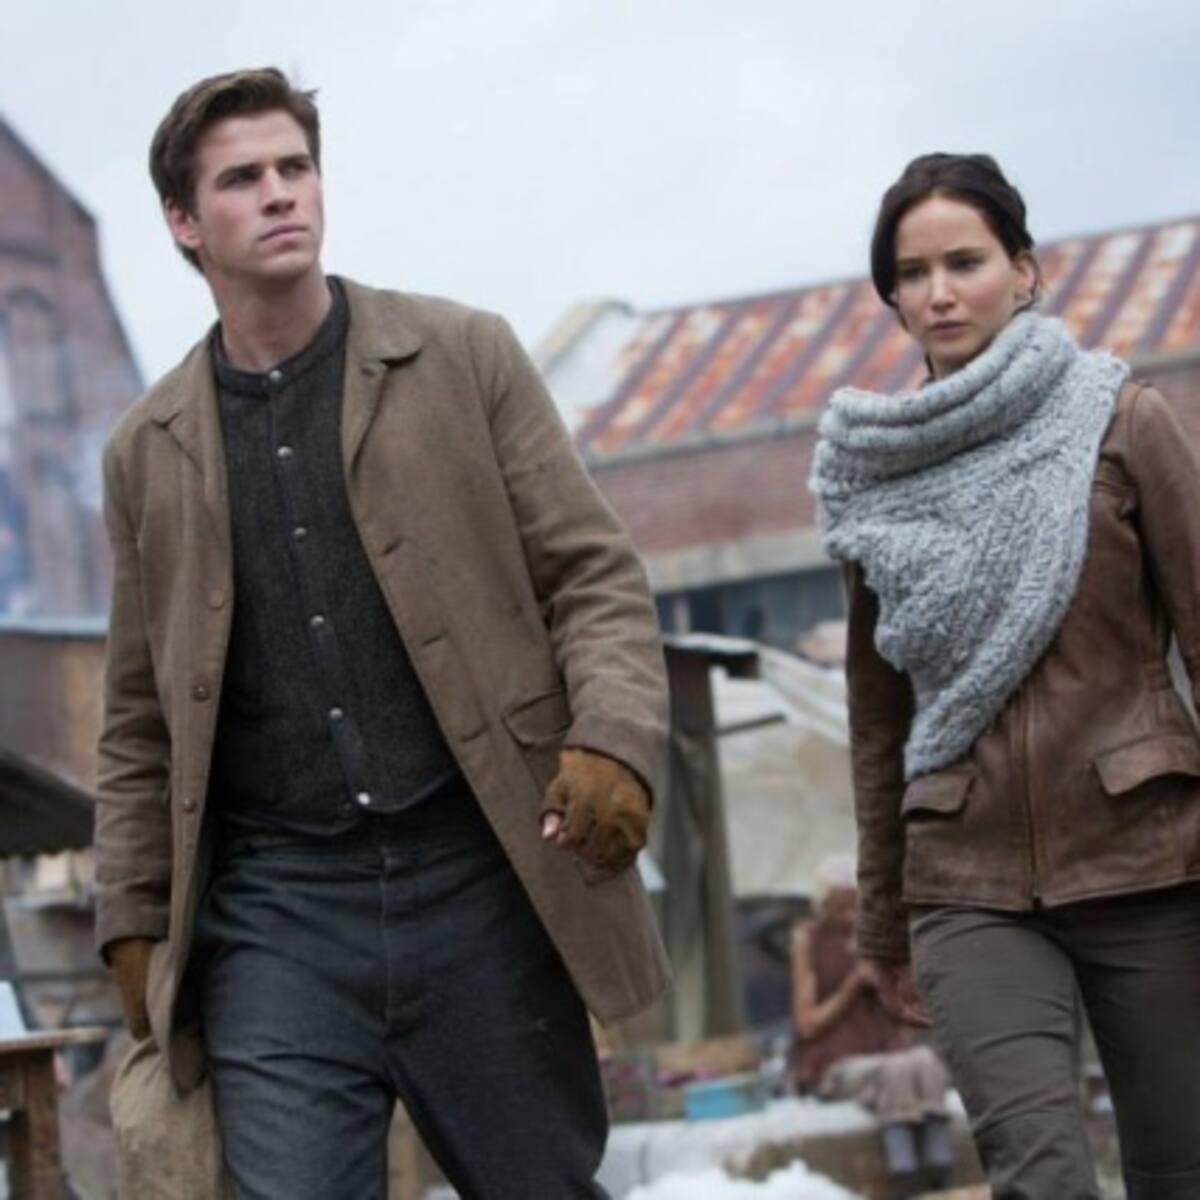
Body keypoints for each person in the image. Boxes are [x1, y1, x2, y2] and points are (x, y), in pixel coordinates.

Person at [93, 67, 670, 1199]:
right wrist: (134, 918)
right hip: (277, 914)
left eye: (296, 167)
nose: (280, 193)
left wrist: (614, 738)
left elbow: (592, 574)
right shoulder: (144, 451)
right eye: (242, 179)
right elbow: (134, 721)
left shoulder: (463, 356)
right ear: (183, 222)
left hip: (480, 872)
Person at [809, 151, 1200, 1199]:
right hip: (965, 880)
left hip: (1149, 861)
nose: (939, 291)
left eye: (965, 262)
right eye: (912, 272)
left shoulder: (1122, 421)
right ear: (893, 297)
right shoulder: (876, 472)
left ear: (1024, 271)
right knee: (1040, 1177)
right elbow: (877, 720)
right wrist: (882, 921)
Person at [791, 854, 952, 1199]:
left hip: (884, 1048)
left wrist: (883, 979)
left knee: (925, 1061)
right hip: (834, 1061)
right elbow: (806, 1025)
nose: (850, 917)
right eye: (841, 909)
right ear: (824, 907)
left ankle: (940, 1165)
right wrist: (852, 985)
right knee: (893, 1071)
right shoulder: (809, 940)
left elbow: (904, 1011)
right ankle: (904, 1170)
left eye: (856, 907)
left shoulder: (874, 936)